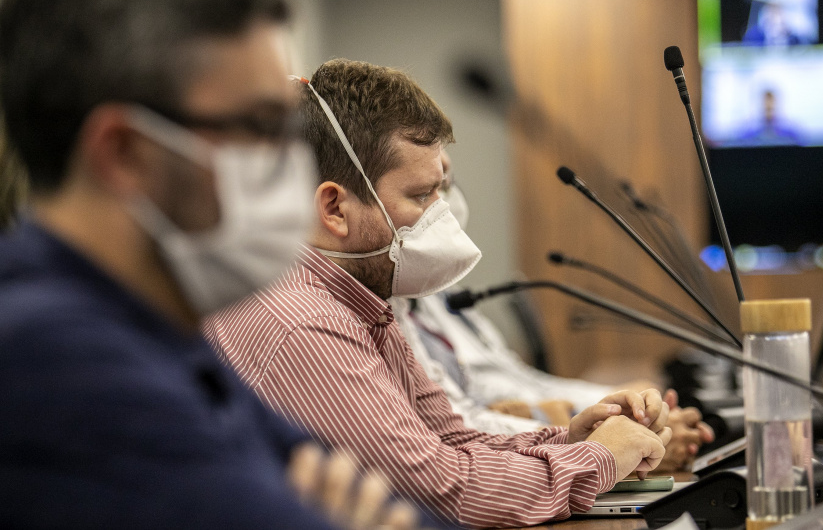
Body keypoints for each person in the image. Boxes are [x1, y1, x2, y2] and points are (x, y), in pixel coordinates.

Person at [0, 0, 419, 528]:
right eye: (263, 126)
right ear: (125, 153)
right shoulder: (51, 354)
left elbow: (397, 511)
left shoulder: (160, 324)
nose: (295, 161)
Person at [205, 59, 672, 528]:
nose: (442, 215)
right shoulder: (303, 319)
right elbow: (440, 490)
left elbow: (452, 440)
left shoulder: (362, 303)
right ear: (335, 208)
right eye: (422, 196)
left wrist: (570, 440)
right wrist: (599, 458)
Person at [392, 153, 715, 471]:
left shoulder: (441, 295)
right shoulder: (387, 311)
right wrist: (609, 440)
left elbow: (523, 381)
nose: (442, 202)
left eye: (446, 184)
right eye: (425, 191)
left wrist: (623, 409)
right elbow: (461, 425)